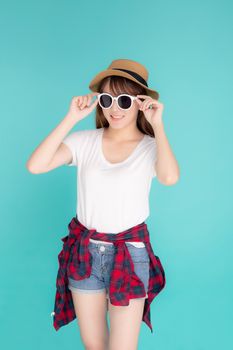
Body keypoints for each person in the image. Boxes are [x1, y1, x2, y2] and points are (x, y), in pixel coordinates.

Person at [26, 59, 180, 350]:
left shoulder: (150, 147)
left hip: (129, 253)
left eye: (124, 99)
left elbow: (170, 177)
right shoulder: (84, 141)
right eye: (108, 99)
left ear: (140, 103)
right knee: (94, 345)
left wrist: (159, 126)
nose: (115, 108)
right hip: (86, 251)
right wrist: (71, 117)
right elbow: (36, 165)